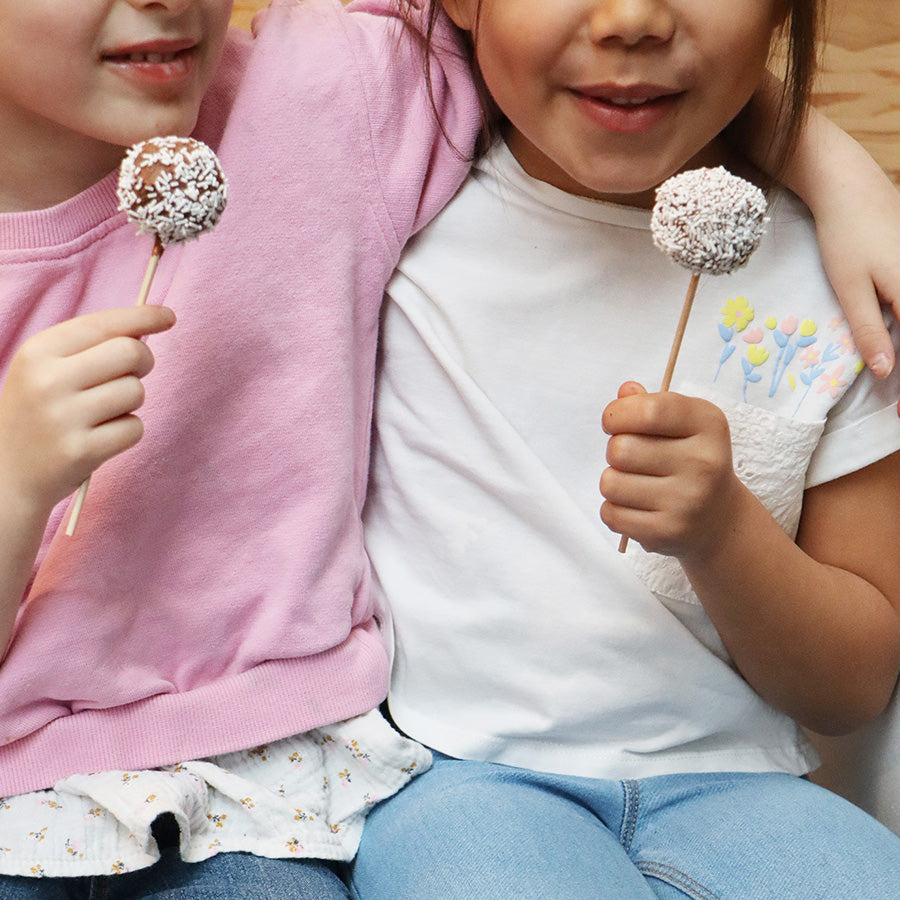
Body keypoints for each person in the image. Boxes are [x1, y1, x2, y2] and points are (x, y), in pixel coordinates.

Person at [0, 0, 897, 897]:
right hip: (53, 790)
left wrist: (837, 169)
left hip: (271, 784)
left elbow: (586, 53)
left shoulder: (337, 101)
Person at [348, 1, 900, 898]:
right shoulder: (392, 207)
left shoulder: (847, 279)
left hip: (745, 784)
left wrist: (725, 534)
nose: (634, 17)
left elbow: (854, 686)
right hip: (455, 778)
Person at [0, 0, 480, 896]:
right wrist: (15, 485)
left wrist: (814, 155)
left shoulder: (320, 101)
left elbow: (547, 40)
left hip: (272, 786)